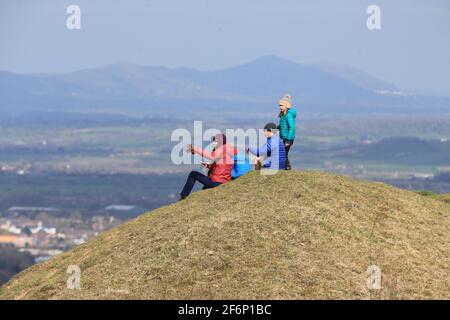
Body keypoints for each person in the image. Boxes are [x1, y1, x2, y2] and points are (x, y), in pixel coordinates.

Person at [180, 133, 234, 200]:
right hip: (225, 182)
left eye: (215, 141)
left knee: (193, 174)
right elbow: (222, 167)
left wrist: (196, 149)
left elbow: (211, 156)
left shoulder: (221, 149)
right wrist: (209, 166)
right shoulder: (229, 151)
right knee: (206, 184)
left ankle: (183, 196)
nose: (214, 143)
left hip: (217, 182)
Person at [277, 94, 297, 170]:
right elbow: (282, 125)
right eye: (280, 105)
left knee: (283, 152)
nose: (280, 107)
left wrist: (288, 140)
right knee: (283, 152)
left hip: (288, 138)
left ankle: (287, 167)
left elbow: (292, 127)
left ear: (286, 106)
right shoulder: (283, 115)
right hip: (284, 137)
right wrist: (276, 128)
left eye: (282, 105)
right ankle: (285, 167)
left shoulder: (288, 116)